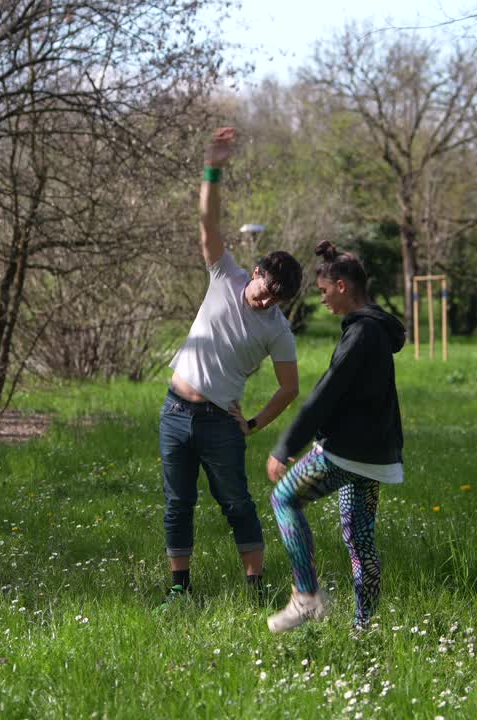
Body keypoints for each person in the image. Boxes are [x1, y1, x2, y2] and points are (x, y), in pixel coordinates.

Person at [160, 127, 303, 602]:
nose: (267, 303)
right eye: (266, 292)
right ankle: (180, 589)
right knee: (178, 503)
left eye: (277, 300)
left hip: (222, 420)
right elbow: (208, 222)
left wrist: (256, 422)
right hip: (175, 411)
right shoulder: (225, 273)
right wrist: (212, 167)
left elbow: (289, 387)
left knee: (236, 502)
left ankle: (256, 587)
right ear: (257, 272)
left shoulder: (278, 329)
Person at [264, 240, 406, 633]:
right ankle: (365, 628)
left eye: (325, 291)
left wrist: (285, 447)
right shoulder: (377, 328)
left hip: (345, 453)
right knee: (360, 540)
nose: (323, 300)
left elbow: (324, 395)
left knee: (284, 497)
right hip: (377, 457)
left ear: (342, 286)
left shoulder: (360, 336)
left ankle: (306, 596)